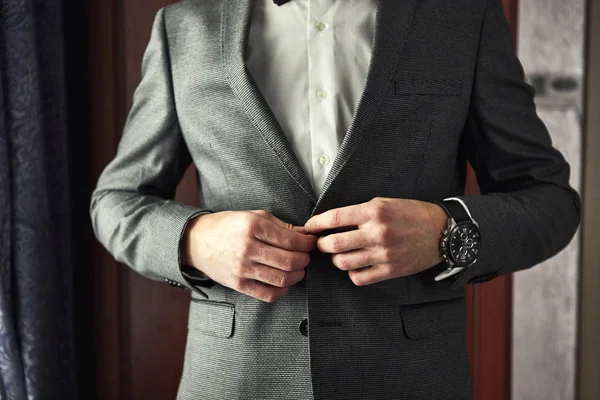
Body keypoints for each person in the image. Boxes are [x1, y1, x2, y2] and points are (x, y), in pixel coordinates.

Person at [89, 0, 581, 399]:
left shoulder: (460, 17)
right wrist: (195, 240)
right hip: (234, 380)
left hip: (412, 379)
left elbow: (550, 200)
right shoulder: (183, 28)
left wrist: (445, 233)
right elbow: (116, 202)